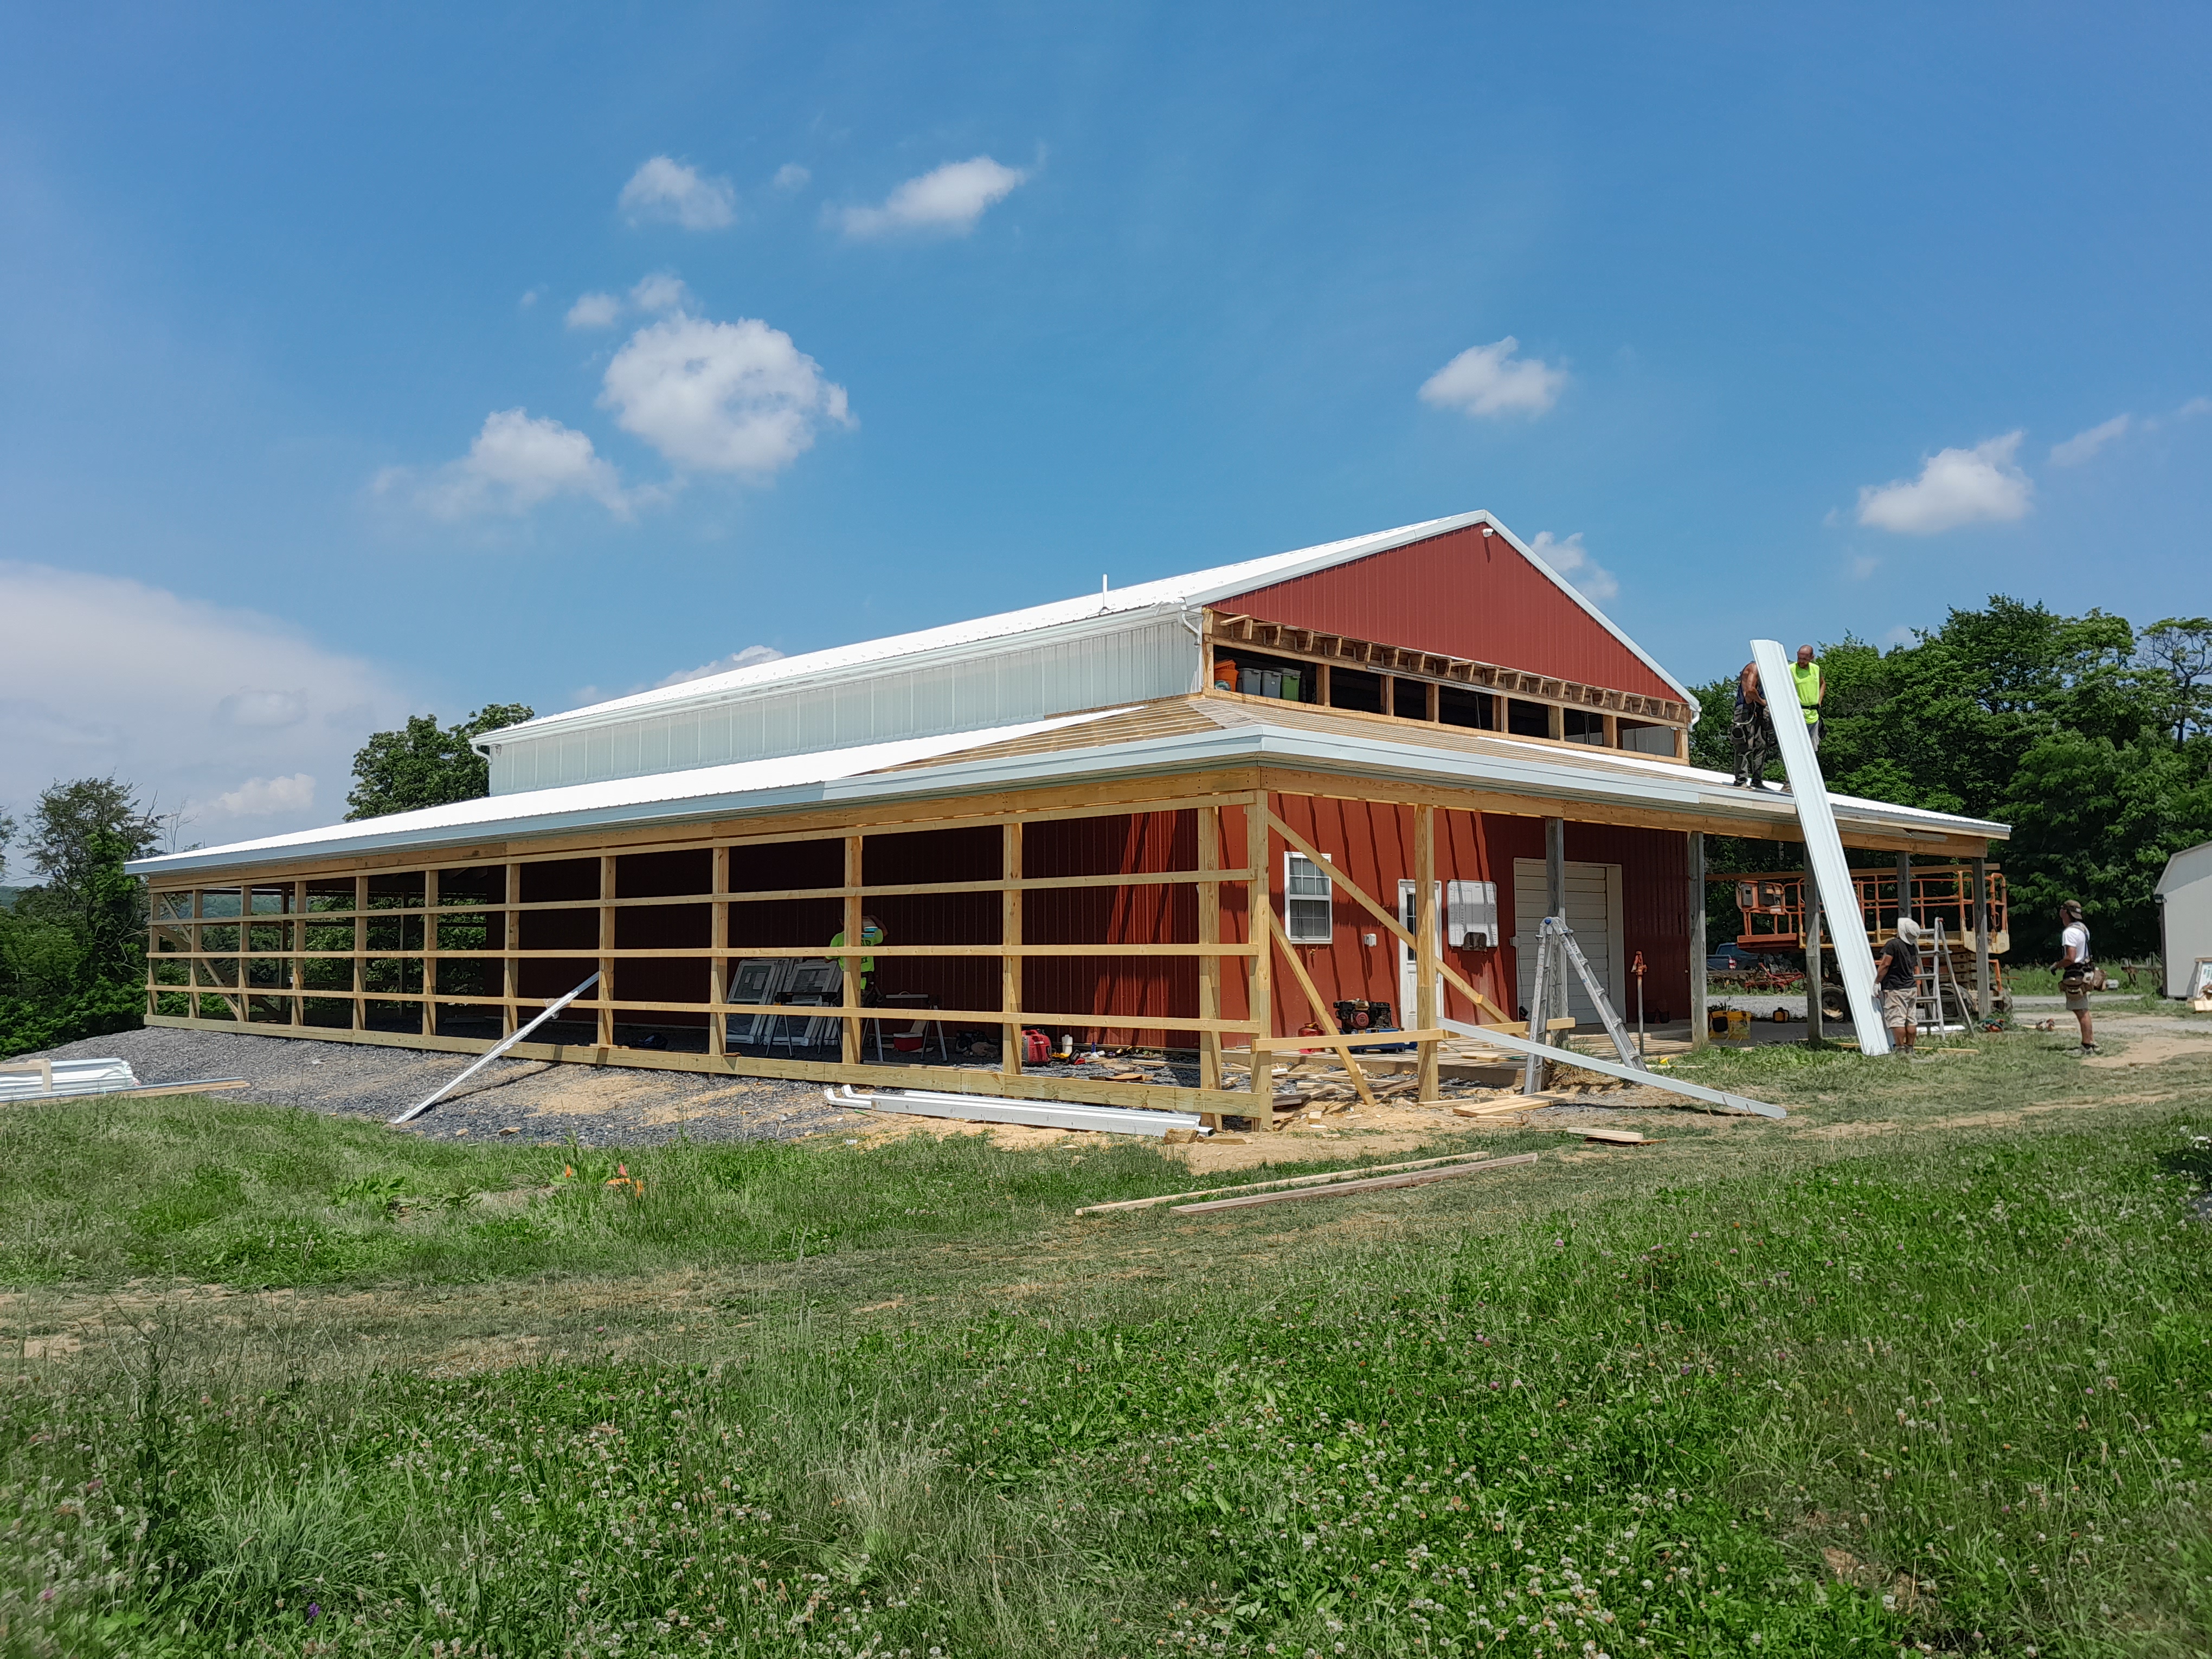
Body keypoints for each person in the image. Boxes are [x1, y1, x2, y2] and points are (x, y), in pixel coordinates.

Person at [1874, 916, 1922, 1054]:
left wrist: (1877, 982)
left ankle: (1899, 1049)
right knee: (1911, 1019)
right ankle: (1910, 1049)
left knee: (1897, 1020)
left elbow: (1886, 964)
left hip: (1896, 988)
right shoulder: (1912, 947)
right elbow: (1914, 967)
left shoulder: (1892, 945)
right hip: (1910, 987)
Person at [2056, 899, 2098, 1053]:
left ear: (2065, 912)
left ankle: (2087, 1045)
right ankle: (2090, 1042)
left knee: (2081, 1010)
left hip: (2075, 974)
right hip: (2085, 971)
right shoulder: (2083, 929)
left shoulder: (2069, 932)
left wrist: (2057, 966)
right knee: (2082, 1009)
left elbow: (2070, 958)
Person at [1731, 661, 1778, 789]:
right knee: (1744, 745)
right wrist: (1763, 702)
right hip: (1746, 710)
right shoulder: (1754, 668)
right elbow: (1750, 691)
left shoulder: (1766, 672)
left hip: (1758, 711)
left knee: (1762, 744)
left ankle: (1757, 781)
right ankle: (1741, 780)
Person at [829, 912, 886, 1001]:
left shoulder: (839, 938)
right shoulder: (869, 935)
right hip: (868, 982)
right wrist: (873, 918)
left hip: (850, 982)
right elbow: (884, 932)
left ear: (842, 922)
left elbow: (827, 959)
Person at [1791, 644, 1826, 751]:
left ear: (1812, 658)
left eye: (1805, 659)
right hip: (1798, 712)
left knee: (1813, 749)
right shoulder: (1790, 669)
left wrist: (1819, 701)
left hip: (1814, 714)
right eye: (1800, 658)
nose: (1801, 661)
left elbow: (1823, 684)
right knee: (1798, 747)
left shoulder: (1816, 669)